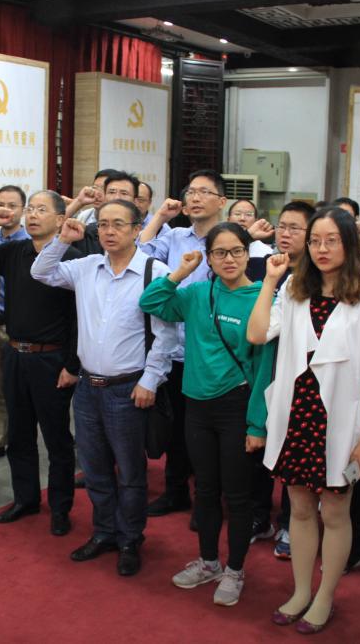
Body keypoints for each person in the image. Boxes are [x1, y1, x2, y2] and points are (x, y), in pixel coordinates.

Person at [247, 207, 360, 633]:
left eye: (332, 240)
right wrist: (270, 281)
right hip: (296, 415)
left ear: (350, 244)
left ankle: (325, 596)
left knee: (337, 512)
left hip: (340, 420)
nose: (322, 249)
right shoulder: (294, 290)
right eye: (315, 241)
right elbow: (256, 334)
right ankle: (301, 591)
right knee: (301, 509)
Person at [31, 200, 178, 577]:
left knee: (129, 472)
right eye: (103, 224)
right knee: (95, 468)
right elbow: (41, 271)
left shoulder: (154, 271)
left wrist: (150, 380)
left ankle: (130, 539)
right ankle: (104, 532)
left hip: (127, 389)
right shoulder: (86, 267)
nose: (109, 231)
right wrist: (63, 240)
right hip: (87, 387)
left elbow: (166, 335)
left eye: (118, 224)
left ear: (137, 229)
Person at [140, 223, 276, 606]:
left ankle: (235, 570)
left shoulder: (260, 298)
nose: (229, 259)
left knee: (237, 494)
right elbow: (151, 302)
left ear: (248, 254)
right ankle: (209, 561)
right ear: (209, 258)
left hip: (237, 406)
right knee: (205, 490)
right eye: (219, 253)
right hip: (196, 406)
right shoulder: (198, 292)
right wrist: (181, 271)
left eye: (236, 251)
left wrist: (257, 423)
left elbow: (264, 369)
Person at [138, 170, 273, 520]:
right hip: (179, 351)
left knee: (226, 441)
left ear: (222, 201)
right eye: (190, 191)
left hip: (224, 359)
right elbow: (141, 254)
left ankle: (220, 502)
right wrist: (160, 217)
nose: (195, 197)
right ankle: (179, 493)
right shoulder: (174, 236)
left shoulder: (236, 241)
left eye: (204, 192)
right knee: (180, 434)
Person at [0, 191, 81, 536]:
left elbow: (79, 318)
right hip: (15, 354)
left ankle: (60, 507)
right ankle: (26, 499)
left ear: (60, 220)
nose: (32, 215)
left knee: (57, 438)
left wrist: (72, 364)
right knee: (19, 434)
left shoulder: (73, 258)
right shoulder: (14, 251)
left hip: (52, 358)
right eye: (30, 209)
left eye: (41, 210)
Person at [265, 200, 316, 559]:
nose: (285, 233)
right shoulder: (268, 267)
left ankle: (290, 522)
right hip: (269, 367)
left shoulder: (314, 279)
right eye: (281, 226)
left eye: (294, 228)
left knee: (296, 457)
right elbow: (260, 330)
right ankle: (263, 515)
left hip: (306, 378)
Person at [0, 185, 31, 459]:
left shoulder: (30, 242)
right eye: (1, 204)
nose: (6, 210)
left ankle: (19, 437)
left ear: (22, 210)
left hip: (18, 327)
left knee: (18, 387)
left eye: (12, 205)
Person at [227, 199, 274, 281]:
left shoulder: (267, 253)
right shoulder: (219, 247)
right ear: (228, 220)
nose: (242, 218)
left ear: (256, 221)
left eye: (248, 215)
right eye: (237, 214)